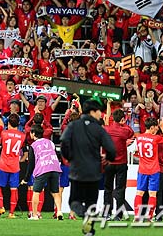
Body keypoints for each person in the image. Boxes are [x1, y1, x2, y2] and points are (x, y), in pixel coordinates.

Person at [61, 99, 115, 236]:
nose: (101, 115)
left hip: (77, 171)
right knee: (91, 202)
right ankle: (89, 229)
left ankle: (85, 216)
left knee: (74, 202)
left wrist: (70, 157)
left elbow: (64, 143)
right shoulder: (98, 129)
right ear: (92, 112)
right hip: (94, 172)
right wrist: (108, 158)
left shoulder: (73, 126)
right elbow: (111, 149)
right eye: (99, 111)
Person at [23, 125, 64, 221]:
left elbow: (31, 165)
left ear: (33, 134)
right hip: (55, 167)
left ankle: (34, 215)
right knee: (55, 192)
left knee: (36, 192)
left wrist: (26, 179)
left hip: (43, 168)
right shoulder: (50, 142)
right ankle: (59, 211)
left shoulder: (33, 146)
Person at [134, 118, 163, 221]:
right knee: (152, 194)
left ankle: (137, 216)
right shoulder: (156, 138)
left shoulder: (139, 137)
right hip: (154, 170)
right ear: (152, 127)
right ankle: (149, 216)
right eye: (156, 127)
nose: (156, 129)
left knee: (139, 193)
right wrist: (162, 127)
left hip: (142, 169)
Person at [103, 109, 135, 220]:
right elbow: (131, 133)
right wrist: (124, 123)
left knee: (108, 189)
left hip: (108, 163)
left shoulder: (106, 129)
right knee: (120, 189)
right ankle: (118, 215)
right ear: (122, 119)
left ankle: (106, 213)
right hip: (121, 163)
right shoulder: (125, 130)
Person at [0, 114, 26, 219]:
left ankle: (1, 207)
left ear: (8, 123)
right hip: (15, 166)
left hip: (3, 165)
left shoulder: (4, 133)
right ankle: (11, 213)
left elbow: (0, 143)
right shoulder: (22, 136)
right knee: (14, 189)